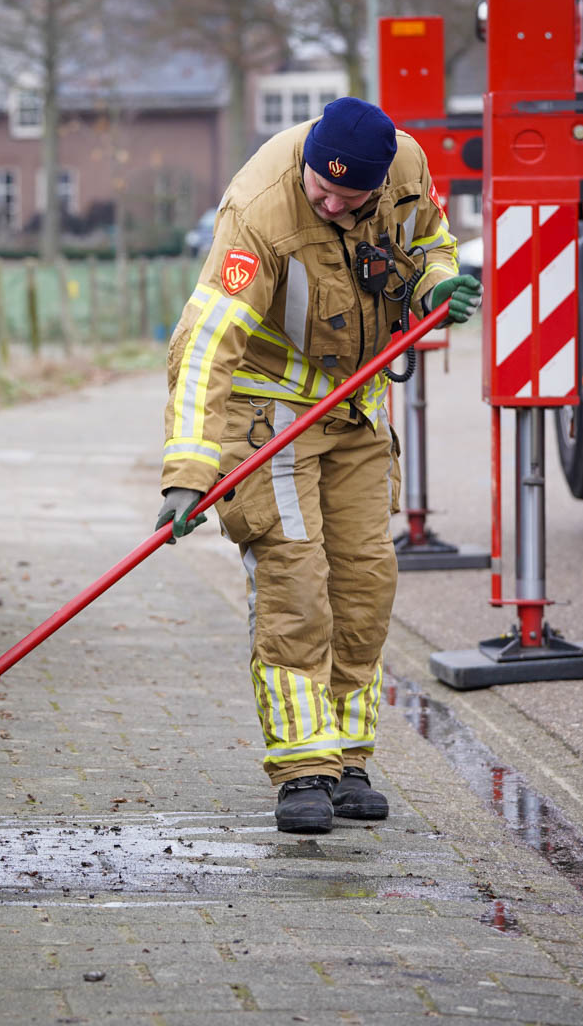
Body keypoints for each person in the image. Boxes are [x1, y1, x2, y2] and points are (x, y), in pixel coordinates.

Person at [155, 97, 481, 834]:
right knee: (296, 585)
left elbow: (431, 242)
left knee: (365, 582)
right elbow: (204, 345)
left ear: (380, 181)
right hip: (270, 419)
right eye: (321, 189)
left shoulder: (407, 166)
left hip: (355, 407)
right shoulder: (259, 209)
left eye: (348, 197)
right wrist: (187, 473)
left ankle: (348, 757)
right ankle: (304, 767)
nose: (330, 204)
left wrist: (434, 286)